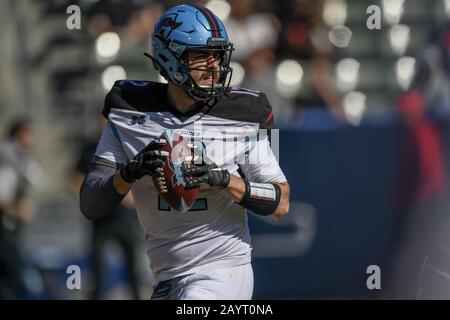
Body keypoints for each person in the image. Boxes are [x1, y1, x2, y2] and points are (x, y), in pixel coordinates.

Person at [80, 4, 290, 300]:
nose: (214, 65)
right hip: (166, 278)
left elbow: (281, 203)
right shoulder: (129, 113)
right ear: (170, 57)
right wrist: (129, 173)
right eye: (201, 55)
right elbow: (91, 202)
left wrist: (223, 180)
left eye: (217, 55)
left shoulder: (241, 115)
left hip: (223, 272)